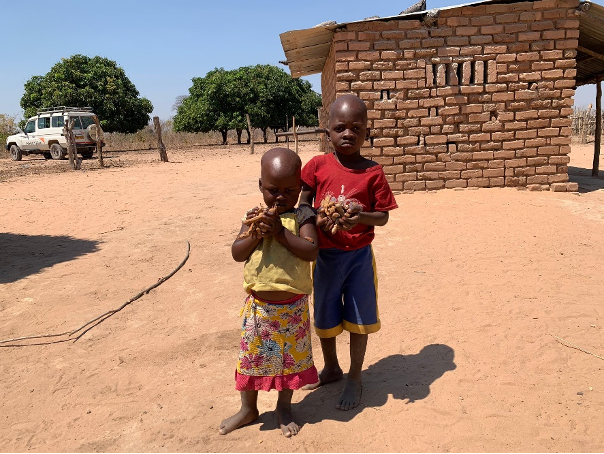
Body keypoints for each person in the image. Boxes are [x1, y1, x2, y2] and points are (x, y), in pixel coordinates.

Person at [299, 94, 399, 411]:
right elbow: (302, 202)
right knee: (325, 315)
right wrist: (314, 219)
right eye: (340, 127)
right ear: (326, 130)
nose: (348, 134)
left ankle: (355, 376)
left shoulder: (373, 172)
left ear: (366, 132)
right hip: (326, 257)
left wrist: (362, 217)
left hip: (358, 258)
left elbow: (383, 216)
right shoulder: (317, 166)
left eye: (356, 128)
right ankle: (331, 368)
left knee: (359, 319)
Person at [219, 147, 319, 437]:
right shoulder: (254, 216)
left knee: (290, 364)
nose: (280, 197)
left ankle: (284, 408)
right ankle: (248, 409)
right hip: (260, 310)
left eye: (289, 190)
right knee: (251, 361)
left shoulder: (303, 216)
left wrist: (279, 233)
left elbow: (311, 250)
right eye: (273, 189)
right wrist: (255, 233)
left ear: (300, 188)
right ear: (261, 186)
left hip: (294, 309)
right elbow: (237, 253)